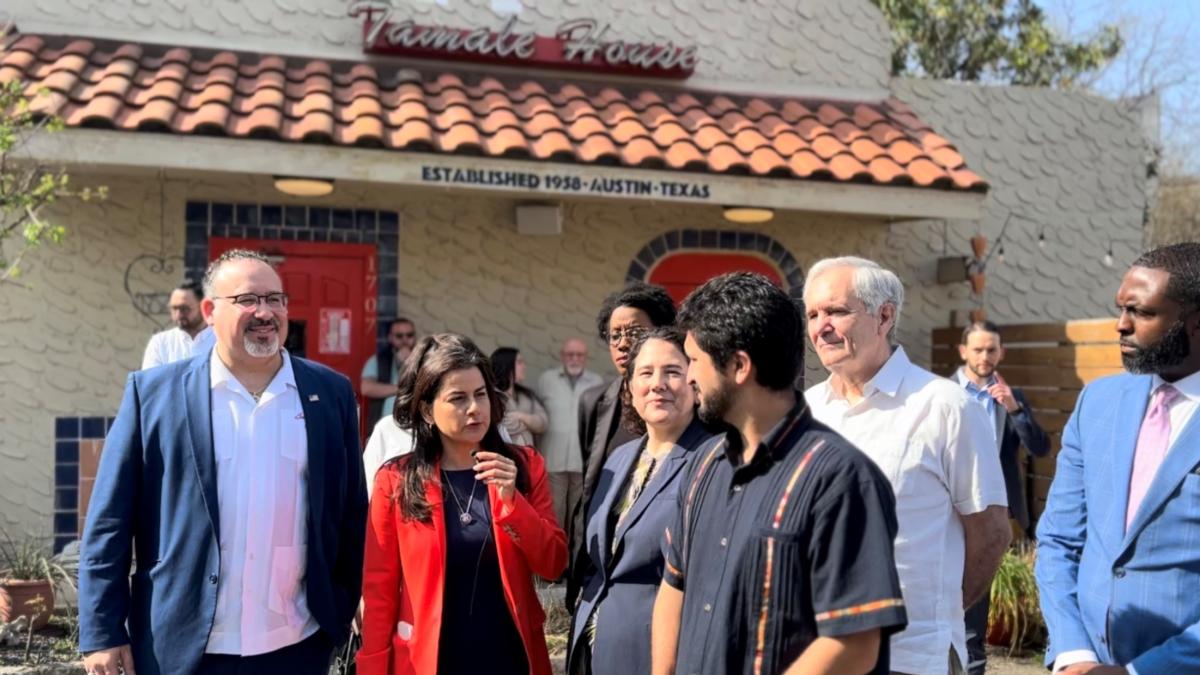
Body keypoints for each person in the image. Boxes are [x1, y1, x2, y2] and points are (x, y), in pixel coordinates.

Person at [79, 249, 367, 675]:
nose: (265, 312)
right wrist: (102, 631)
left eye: (275, 299)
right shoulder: (154, 395)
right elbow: (109, 523)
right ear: (210, 312)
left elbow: (351, 514)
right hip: (181, 648)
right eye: (247, 299)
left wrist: (342, 607)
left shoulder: (331, 393)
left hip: (297, 642)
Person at [651, 272, 907, 675]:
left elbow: (855, 643)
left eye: (694, 361)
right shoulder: (703, 466)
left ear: (739, 366)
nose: (689, 378)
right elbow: (674, 587)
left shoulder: (840, 479)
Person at [803, 256, 1010, 675]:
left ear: (884, 317)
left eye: (836, 311)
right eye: (812, 315)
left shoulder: (945, 406)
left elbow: (991, 533)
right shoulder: (807, 411)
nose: (821, 327)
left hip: (911, 659)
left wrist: (934, 616)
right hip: (815, 654)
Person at [358, 333, 567, 675]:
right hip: (427, 660)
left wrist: (513, 504)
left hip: (510, 656)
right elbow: (379, 591)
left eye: (481, 394)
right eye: (458, 398)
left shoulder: (524, 466)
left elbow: (553, 565)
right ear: (427, 410)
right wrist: (373, 667)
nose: (474, 408)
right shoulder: (396, 480)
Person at [1037, 243, 1200, 674]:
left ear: (1196, 322)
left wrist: (1139, 672)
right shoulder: (1097, 402)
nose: (1121, 325)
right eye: (1121, 309)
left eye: (1141, 312)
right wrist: (1073, 653)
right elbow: (1059, 540)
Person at [567, 328, 712, 675]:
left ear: (695, 383)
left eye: (672, 372)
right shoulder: (620, 458)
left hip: (661, 653)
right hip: (595, 648)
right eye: (645, 373)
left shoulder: (713, 460)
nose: (657, 384)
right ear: (630, 388)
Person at [569, 282, 676, 607]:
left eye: (635, 332)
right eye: (614, 335)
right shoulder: (594, 402)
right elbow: (589, 489)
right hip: (603, 567)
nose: (623, 343)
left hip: (660, 570)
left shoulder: (681, 401)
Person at [955, 321, 1051, 675]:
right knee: (959, 609)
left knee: (978, 615)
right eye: (978, 349)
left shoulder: (1012, 396)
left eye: (991, 350)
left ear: (1001, 353)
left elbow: (1040, 447)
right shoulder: (942, 393)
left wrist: (1014, 409)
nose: (985, 356)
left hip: (1000, 514)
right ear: (963, 352)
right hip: (955, 512)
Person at [536, 338, 604, 545]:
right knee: (553, 513)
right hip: (552, 458)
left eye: (579, 355)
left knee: (578, 514)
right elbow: (538, 414)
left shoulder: (597, 382)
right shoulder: (547, 380)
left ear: (586, 357)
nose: (574, 359)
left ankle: (573, 558)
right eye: (570, 354)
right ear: (562, 356)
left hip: (582, 460)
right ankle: (555, 556)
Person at [141, 280, 215, 369]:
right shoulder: (160, 343)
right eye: (174, 309)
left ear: (203, 307)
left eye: (184, 309)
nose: (178, 315)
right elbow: (151, 377)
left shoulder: (221, 340)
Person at [361, 317, 417, 423]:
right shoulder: (377, 360)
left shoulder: (424, 360)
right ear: (390, 337)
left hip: (414, 424)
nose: (405, 340)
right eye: (399, 336)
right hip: (384, 424)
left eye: (409, 335)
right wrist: (402, 389)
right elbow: (366, 388)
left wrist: (410, 363)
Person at [491, 346, 549, 447]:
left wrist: (521, 416)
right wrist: (530, 424)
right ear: (506, 365)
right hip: (504, 454)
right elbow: (501, 427)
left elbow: (543, 423)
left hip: (529, 454)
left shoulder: (527, 395)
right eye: (519, 362)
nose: (524, 366)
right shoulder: (493, 395)